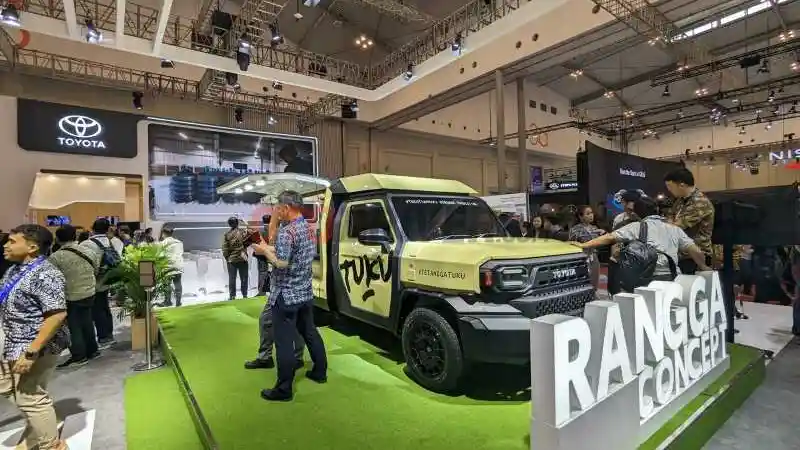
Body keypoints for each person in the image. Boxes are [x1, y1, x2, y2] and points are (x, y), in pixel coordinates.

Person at [251, 190, 327, 402]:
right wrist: (269, 247)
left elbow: (282, 263)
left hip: (286, 295)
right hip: (305, 293)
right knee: (310, 333)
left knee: (284, 343)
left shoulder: (287, 232)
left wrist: (264, 251)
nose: (276, 211)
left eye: (278, 208)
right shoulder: (307, 228)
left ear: (286, 208)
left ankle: (284, 389)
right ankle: (320, 371)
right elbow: (293, 253)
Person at [0, 224, 70, 450]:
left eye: (12, 241)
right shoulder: (14, 270)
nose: (5, 245)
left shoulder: (46, 273)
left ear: (32, 247)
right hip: (12, 342)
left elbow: (56, 315)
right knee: (7, 386)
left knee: (29, 396)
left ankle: (51, 445)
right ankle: (38, 428)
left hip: (35, 345)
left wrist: (31, 352)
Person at [570, 197, 711, 288]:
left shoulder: (637, 226)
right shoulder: (674, 229)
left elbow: (610, 237)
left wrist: (584, 245)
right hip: (673, 277)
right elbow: (695, 250)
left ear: (637, 213)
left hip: (648, 278)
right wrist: (703, 266)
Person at [49, 225, 99, 368]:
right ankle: (92, 350)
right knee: (87, 322)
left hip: (71, 296)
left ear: (58, 239)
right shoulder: (88, 250)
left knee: (74, 326)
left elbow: (53, 279)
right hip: (90, 292)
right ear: (74, 236)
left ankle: (79, 356)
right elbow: (95, 269)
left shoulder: (56, 257)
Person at [664, 168, 714, 275]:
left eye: (670, 186)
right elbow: (669, 219)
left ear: (681, 185)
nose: (669, 190)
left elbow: (676, 226)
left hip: (697, 256)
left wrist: (669, 223)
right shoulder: (680, 201)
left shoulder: (699, 202)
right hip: (683, 255)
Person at [80, 218, 119, 349]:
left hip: (93, 281)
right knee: (104, 307)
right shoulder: (113, 241)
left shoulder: (87, 244)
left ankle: (103, 337)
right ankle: (108, 335)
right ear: (108, 229)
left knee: (97, 310)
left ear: (92, 229)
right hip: (107, 279)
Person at [568, 206, 606, 289]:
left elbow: (601, 244)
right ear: (580, 216)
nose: (591, 215)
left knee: (594, 281)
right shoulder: (575, 229)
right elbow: (571, 245)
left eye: (591, 213)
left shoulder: (595, 228)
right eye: (588, 213)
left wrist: (603, 234)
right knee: (582, 283)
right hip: (582, 258)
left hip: (594, 257)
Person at [222, 217, 250, 300]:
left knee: (232, 278)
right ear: (237, 223)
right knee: (244, 278)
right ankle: (244, 295)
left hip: (232, 259)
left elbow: (225, 249)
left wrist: (228, 258)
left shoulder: (227, 234)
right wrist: (246, 224)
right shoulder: (243, 232)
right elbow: (251, 233)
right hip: (243, 258)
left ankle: (232, 296)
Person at [159, 226, 184, 307]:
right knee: (178, 283)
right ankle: (178, 302)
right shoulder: (179, 242)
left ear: (163, 234)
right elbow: (181, 253)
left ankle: (168, 301)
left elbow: (160, 255)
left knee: (167, 284)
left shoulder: (162, 243)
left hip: (168, 266)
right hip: (178, 265)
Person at [256, 214, 272, 296]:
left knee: (262, 273)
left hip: (262, 256)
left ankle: (262, 292)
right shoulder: (276, 231)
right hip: (273, 255)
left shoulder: (260, 232)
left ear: (263, 221)